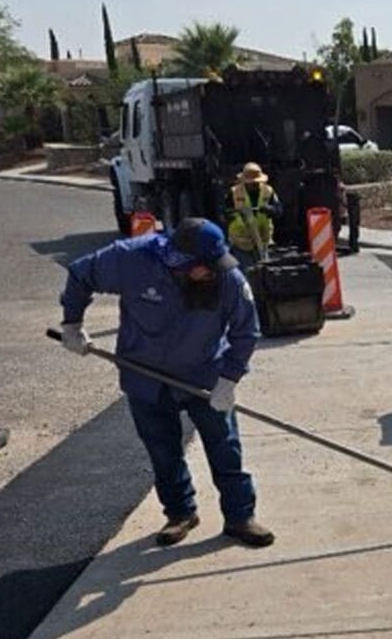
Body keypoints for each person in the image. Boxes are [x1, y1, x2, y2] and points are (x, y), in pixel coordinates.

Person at [58, 218, 274, 548]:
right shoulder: (130, 260)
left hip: (205, 378)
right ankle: (180, 513)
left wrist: (229, 379)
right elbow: (80, 273)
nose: (214, 272)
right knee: (163, 451)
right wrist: (72, 324)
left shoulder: (227, 276)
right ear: (180, 263)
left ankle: (240, 516)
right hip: (145, 376)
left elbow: (246, 331)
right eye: (206, 268)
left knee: (225, 449)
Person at [227, 162, 283, 270]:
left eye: (255, 182)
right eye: (250, 183)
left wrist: (270, 210)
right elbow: (225, 212)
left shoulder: (268, 191)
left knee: (263, 271)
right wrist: (233, 214)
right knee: (247, 272)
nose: (253, 185)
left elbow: (279, 210)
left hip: (262, 240)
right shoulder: (234, 192)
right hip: (241, 240)